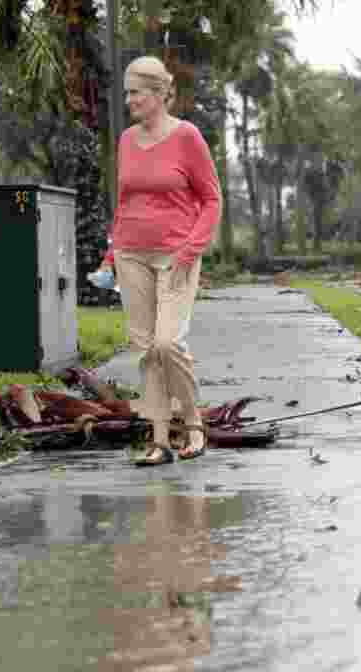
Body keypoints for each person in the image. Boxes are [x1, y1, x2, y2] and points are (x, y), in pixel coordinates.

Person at [96, 56, 221, 465]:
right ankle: (160, 440)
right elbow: (124, 203)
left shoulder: (187, 137)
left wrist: (191, 250)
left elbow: (211, 200)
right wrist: (110, 255)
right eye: (127, 92)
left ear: (158, 93)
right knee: (148, 349)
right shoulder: (128, 141)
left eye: (135, 92)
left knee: (169, 343)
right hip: (131, 254)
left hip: (176, 255)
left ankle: (194, 425)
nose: (129, 99)